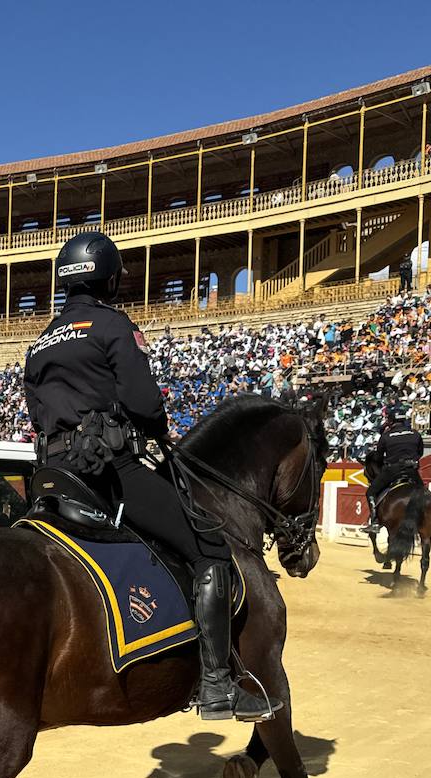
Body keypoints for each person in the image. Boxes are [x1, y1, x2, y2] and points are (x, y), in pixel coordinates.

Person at [23, 231, 276, 722]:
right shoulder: (113, 326)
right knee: (210, 549)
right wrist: (147, 433)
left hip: (51, 478)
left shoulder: (39, 344)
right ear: (108, 278)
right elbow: (145, 406)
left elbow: (38, 415)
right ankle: (217, 683)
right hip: (107, 473)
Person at [363, 406, 424, 533]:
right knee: (423, 493)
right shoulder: (415, 434)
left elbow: (378, 458)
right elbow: (420, 453)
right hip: (412, 470)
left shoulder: (386, 436)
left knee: (370, 492)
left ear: (390, 421)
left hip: (393, 470)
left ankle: (374, 522)